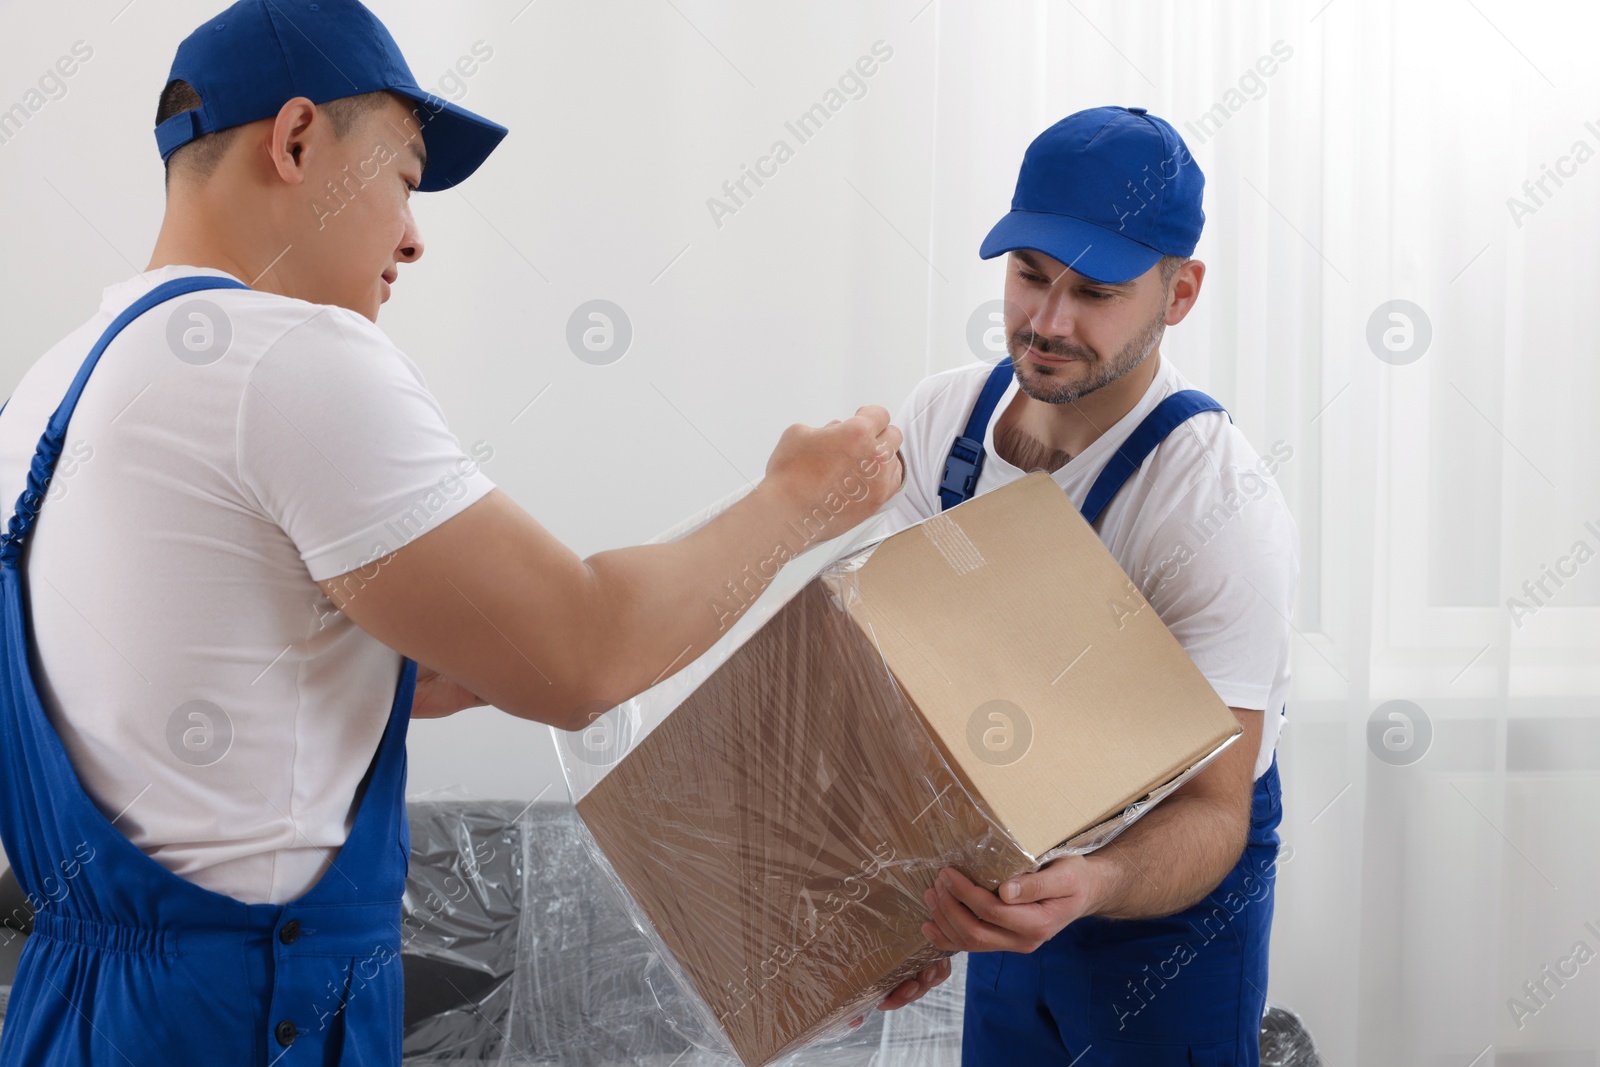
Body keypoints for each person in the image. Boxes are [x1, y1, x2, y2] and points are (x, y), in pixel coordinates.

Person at [0, 2, 944, 1062]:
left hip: (71, 1014)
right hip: (239, 1020)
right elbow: (582, 652)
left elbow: (323, 673)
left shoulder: (56, 390)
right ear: (297, 139)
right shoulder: (284, 355)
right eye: (405, 176)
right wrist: (799, 501)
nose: (413, 233)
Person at [876, 106, 1300, 1064]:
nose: (1048, 323)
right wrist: (903, 907)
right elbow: (906, 693)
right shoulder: (944, 423)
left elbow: (1214, 808)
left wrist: (1098, 881)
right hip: (1006, 840)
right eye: (1030, 275)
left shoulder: (1216, 506)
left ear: (1179, 291)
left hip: (1168, 885)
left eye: (1098, 291)